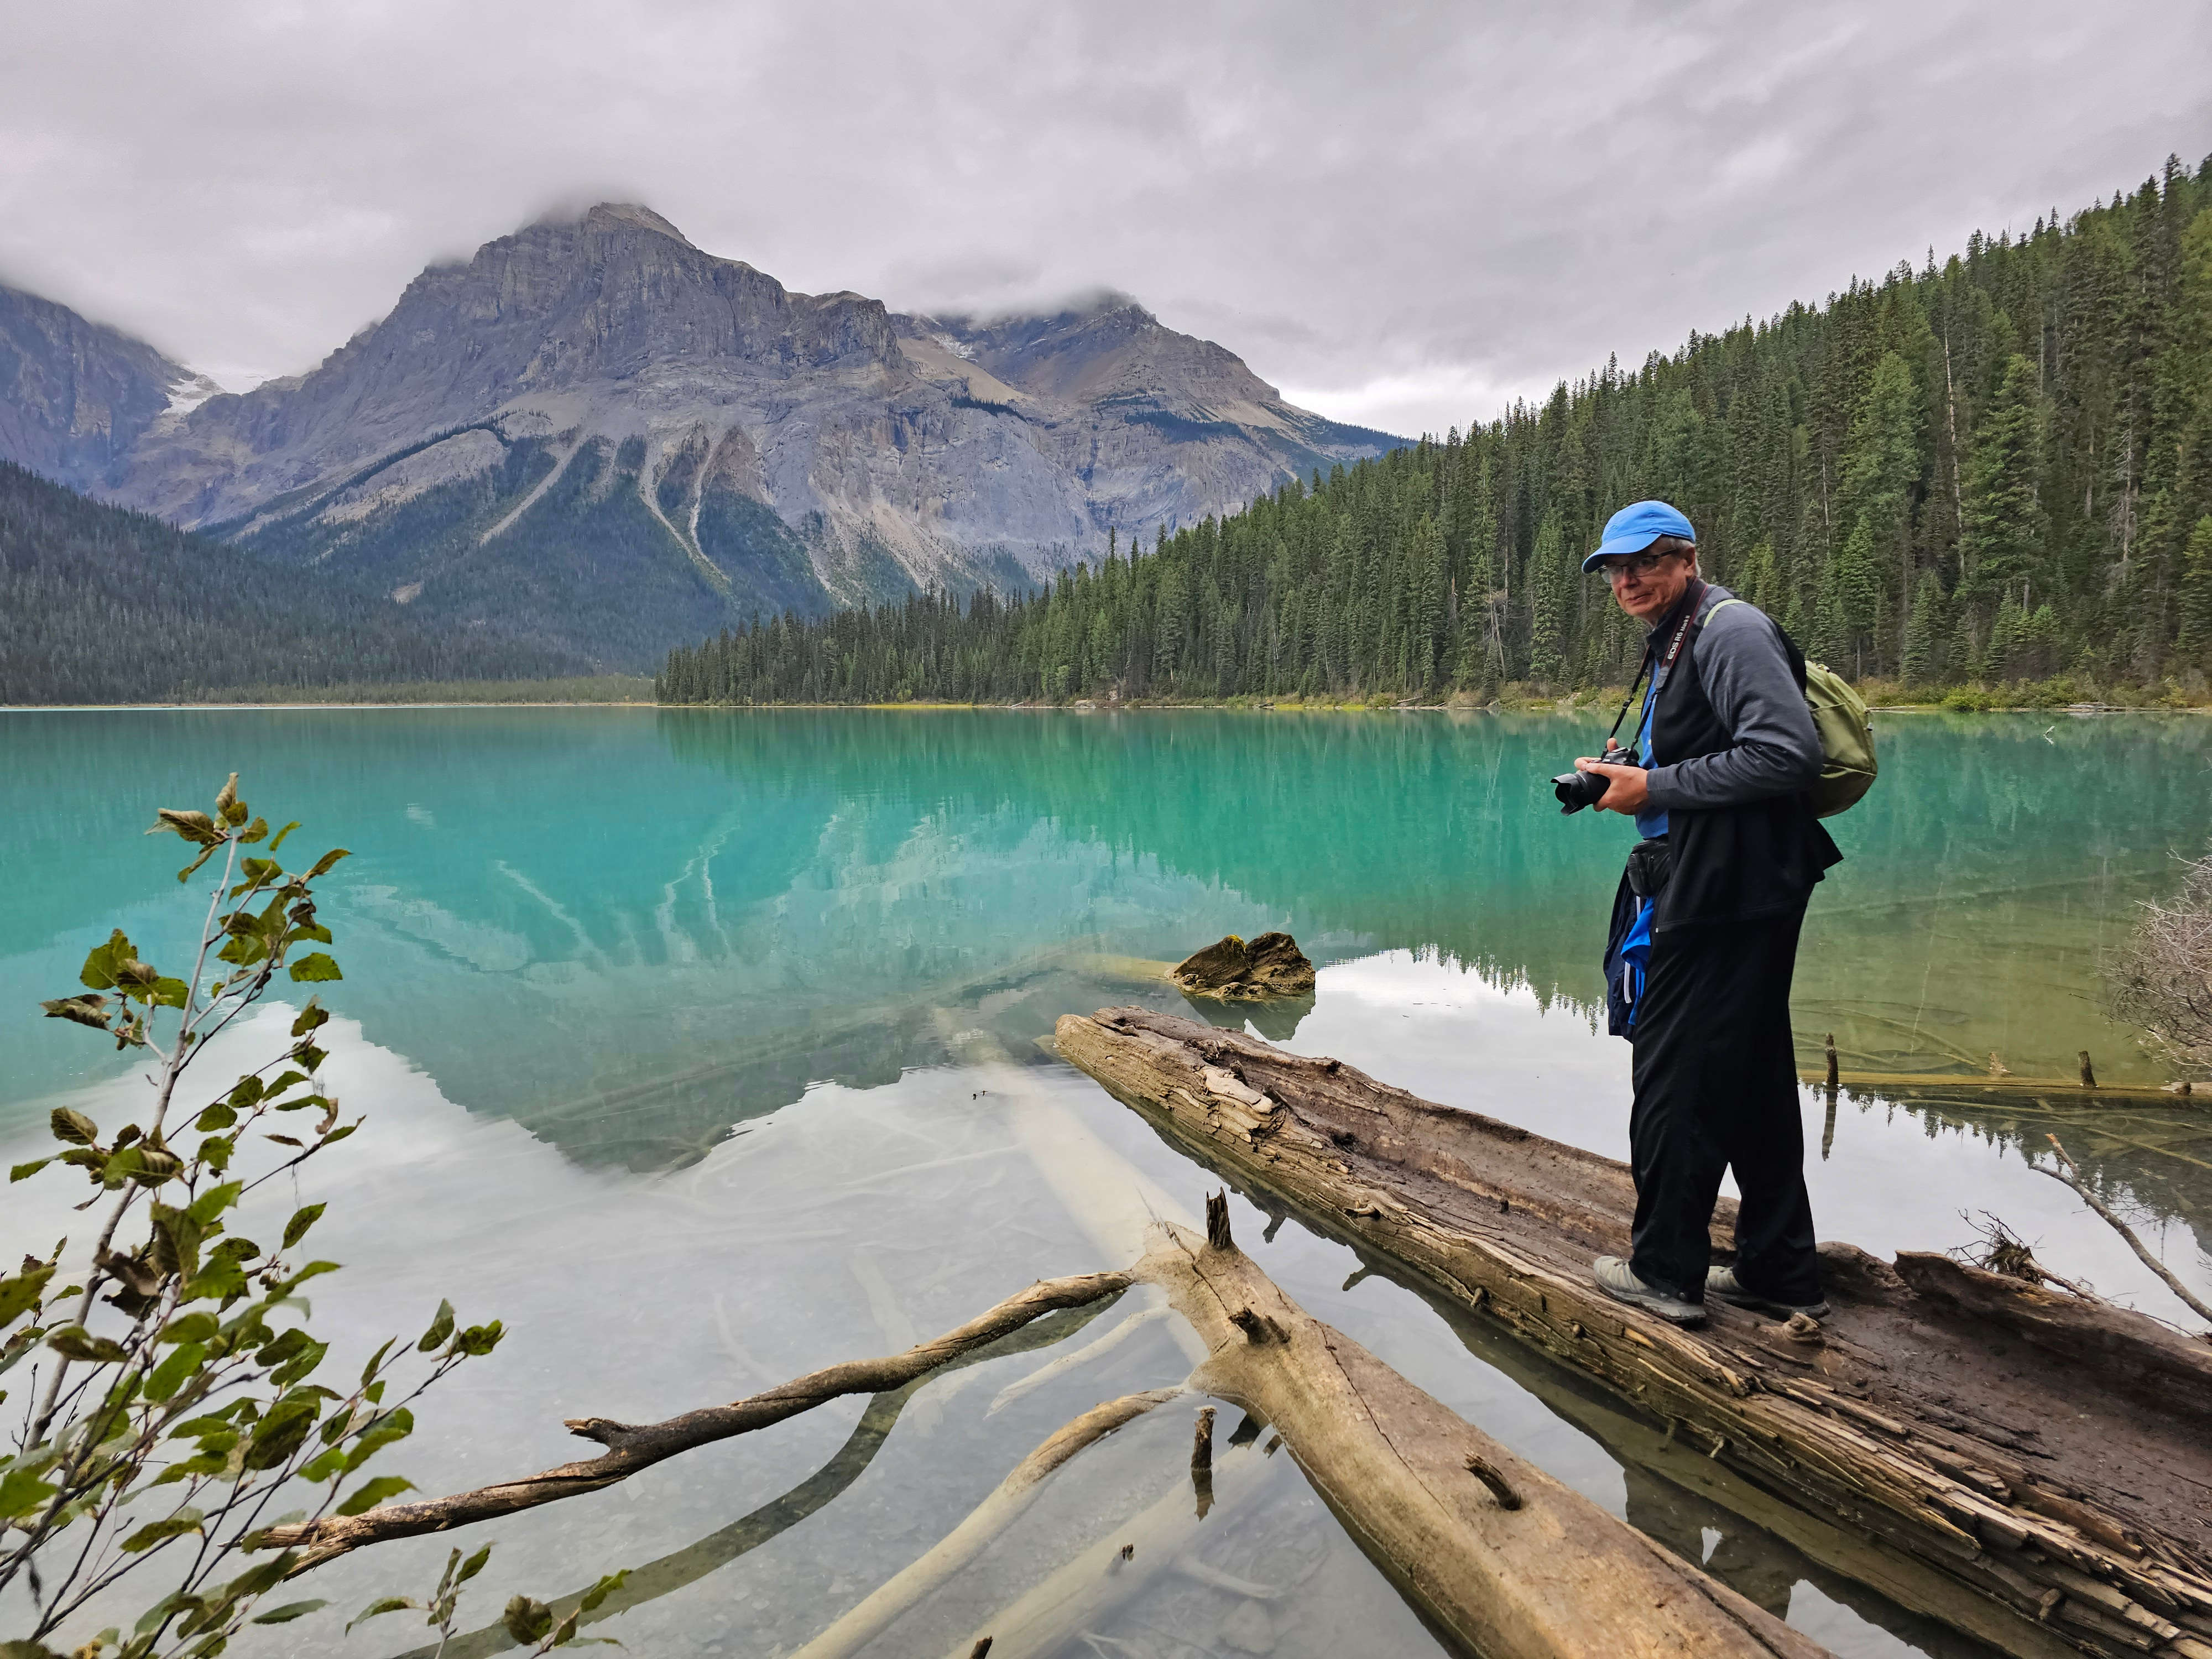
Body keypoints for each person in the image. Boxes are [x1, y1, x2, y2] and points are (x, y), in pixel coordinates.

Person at [1572, 499, 1840, 1327]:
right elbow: (1710, 748)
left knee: (1674, 1072)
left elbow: (1786, 751)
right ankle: (1779, 1269)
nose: (1629, 580)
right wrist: (1630, 769)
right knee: (1753, 1075)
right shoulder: (1678, 637)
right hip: (1730, 880)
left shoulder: (1729, 631)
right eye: (1616, 569)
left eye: (1646, 562)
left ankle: (1664, 1273)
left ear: (1688, 559)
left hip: (1730, 890)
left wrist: (1654, 787)